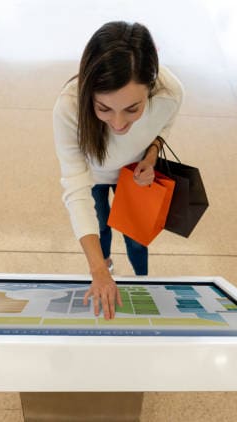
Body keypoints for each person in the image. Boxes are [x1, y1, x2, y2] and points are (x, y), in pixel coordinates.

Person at [53, 21, 184, 320]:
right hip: (92, 177)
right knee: (99, 229)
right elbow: (75, 188)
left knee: (137, 237)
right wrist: (98, 271)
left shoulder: (170, 93)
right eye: (104, 109)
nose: (119, 124)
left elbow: (164, 126)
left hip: (133, 176)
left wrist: (150, 156)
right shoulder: (69, 106)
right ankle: (108, 265)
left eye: (132, 109)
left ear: (150, 88)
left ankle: (142, 280)